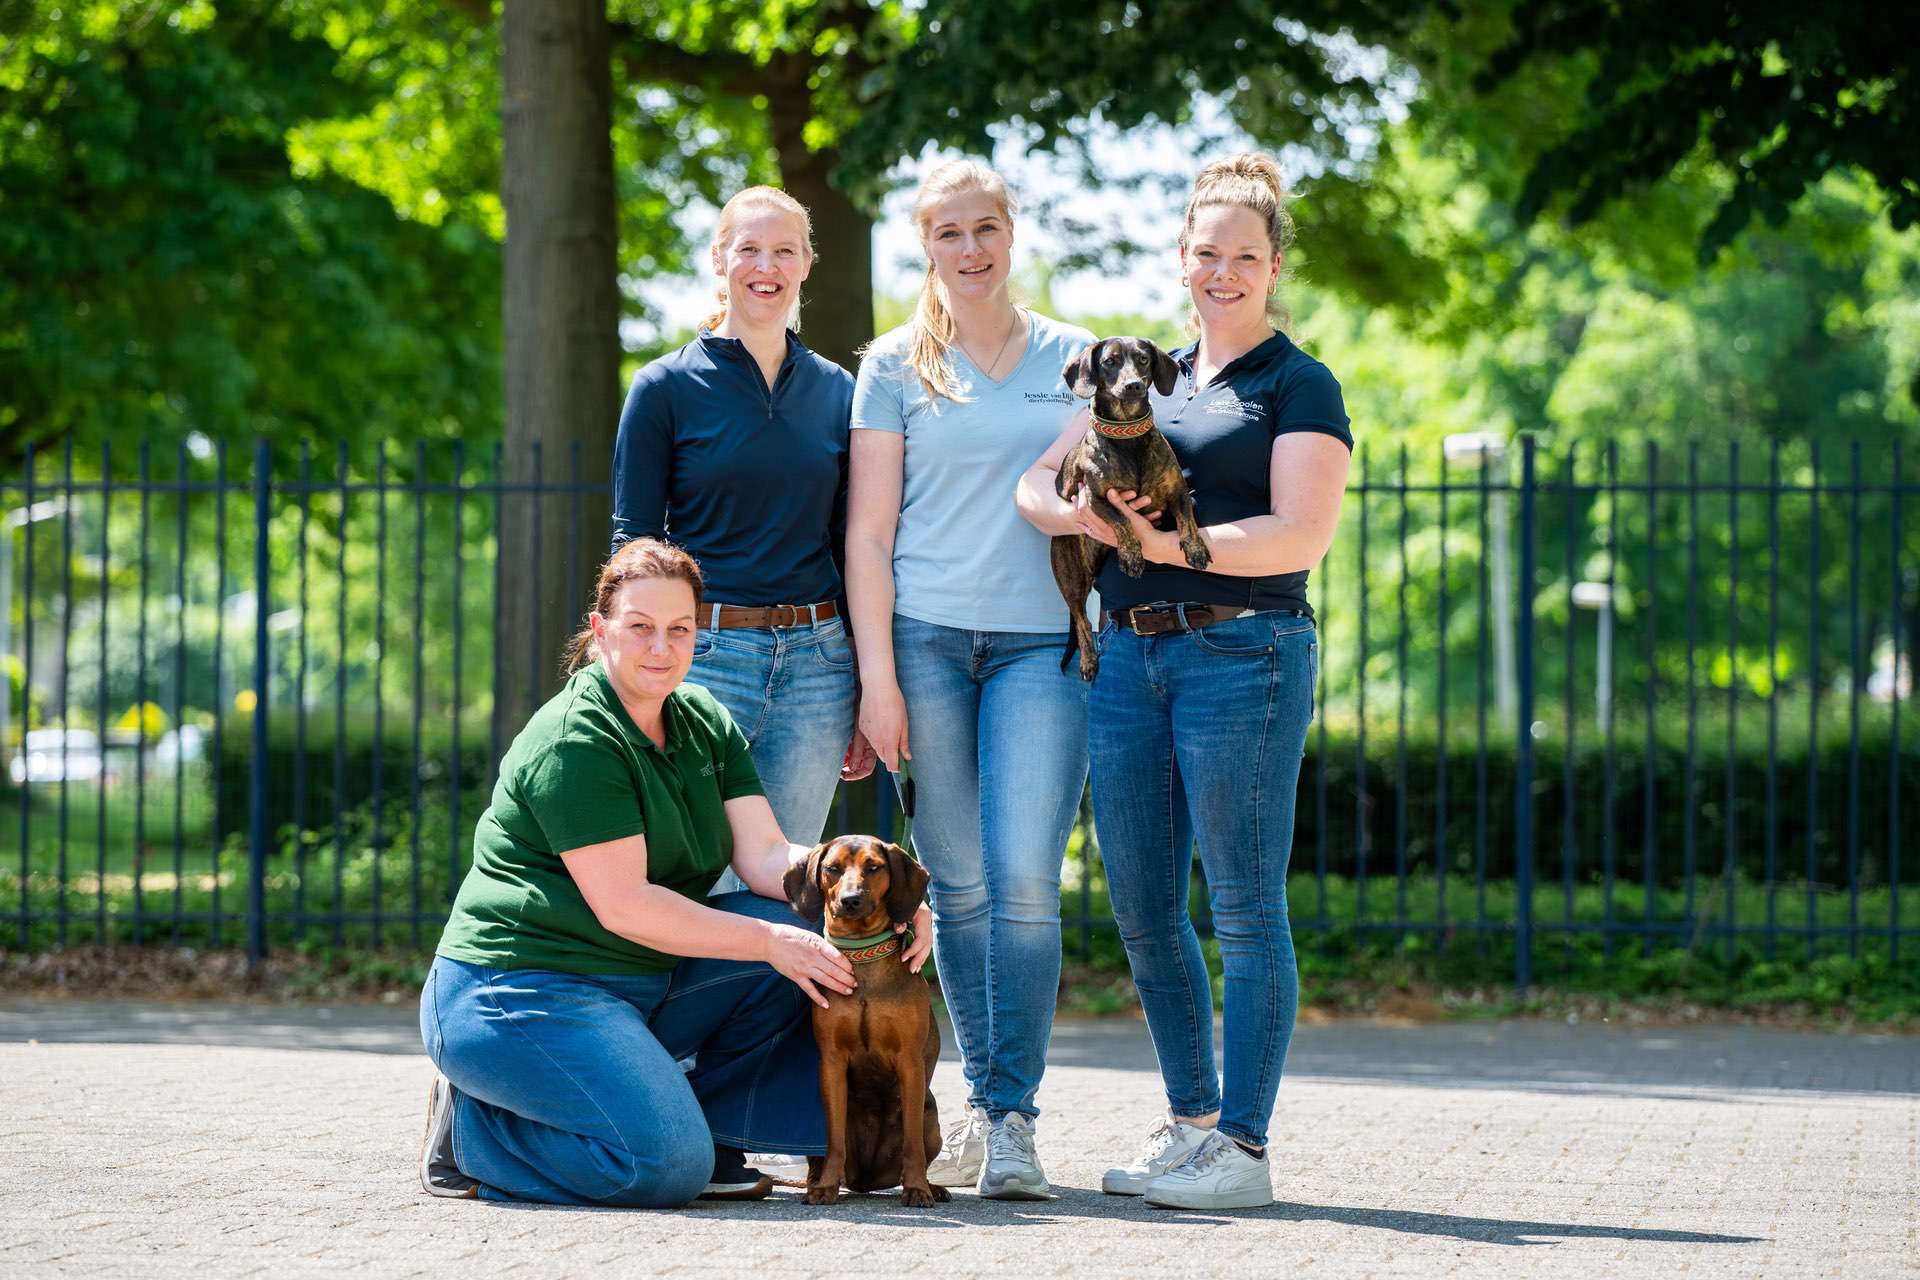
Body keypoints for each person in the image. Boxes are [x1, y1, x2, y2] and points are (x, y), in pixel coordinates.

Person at [1016, 152, 1352, 1211]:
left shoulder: (1298, 384)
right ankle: (1192, 1123)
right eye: (1206, 253)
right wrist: (1076, 517)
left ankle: (1244, 1149)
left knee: (1246, 909)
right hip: (1128, 656)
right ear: (1181, 259)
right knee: (1147, 910)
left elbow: (1302, 531)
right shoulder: (1146, 376)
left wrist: (1167, 548)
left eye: (1244, 256)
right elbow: (1034, 483)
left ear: (1273, 265)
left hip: (1242, 653)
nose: (1222, 271)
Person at [417, 538, 930, 1207]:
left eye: (680, 629)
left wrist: (895, 898)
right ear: (600, 632)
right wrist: (770, 945)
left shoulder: (700, 718)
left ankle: (704, 1127)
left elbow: (769, 858)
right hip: (522, 992)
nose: (662, 647)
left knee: (803, 932)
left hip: (635, 984)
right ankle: (476, 1130)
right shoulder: (576, 741)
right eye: (640, 628)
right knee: (661, 1167)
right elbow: (626, 906)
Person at [845, 158, 1113, 1200]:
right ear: (927, 246)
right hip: (925, 645)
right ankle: (984, 1108)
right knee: (955, 891)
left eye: (986, 227)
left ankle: (1010, 1117)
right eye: (949, 232)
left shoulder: (1076, 358)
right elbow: (867, 536)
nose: (970, 248)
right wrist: (878, 676)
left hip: (1042, 647)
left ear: (1012, 232)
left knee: (1025, 885)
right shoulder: (891, 366)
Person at [611, 185, 871, 874]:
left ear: (808, 263)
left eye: (785, 249)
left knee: (784, 884)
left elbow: (860, 546)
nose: (767, 265)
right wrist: (632, 666)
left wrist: (867, 682)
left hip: (818, 671)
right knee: (688, 874)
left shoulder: (842, 393)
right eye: (749, 248)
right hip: (705, 661)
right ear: (720, 258)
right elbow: (633, 547)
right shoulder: (664, 388)